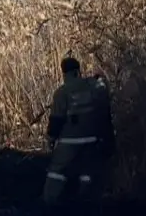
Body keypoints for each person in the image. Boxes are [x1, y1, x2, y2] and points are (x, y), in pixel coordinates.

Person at [42, 56, 115, 206]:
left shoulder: (62, 92)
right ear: (78, 71)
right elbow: (104, 109)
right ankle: (86, 199)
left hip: (70, 140)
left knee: (57, 170)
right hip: (92, 137)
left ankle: (49, 200)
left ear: (64, 74)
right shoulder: (94, 86)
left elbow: (56, 119)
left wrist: (51, 139)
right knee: (87, 170)